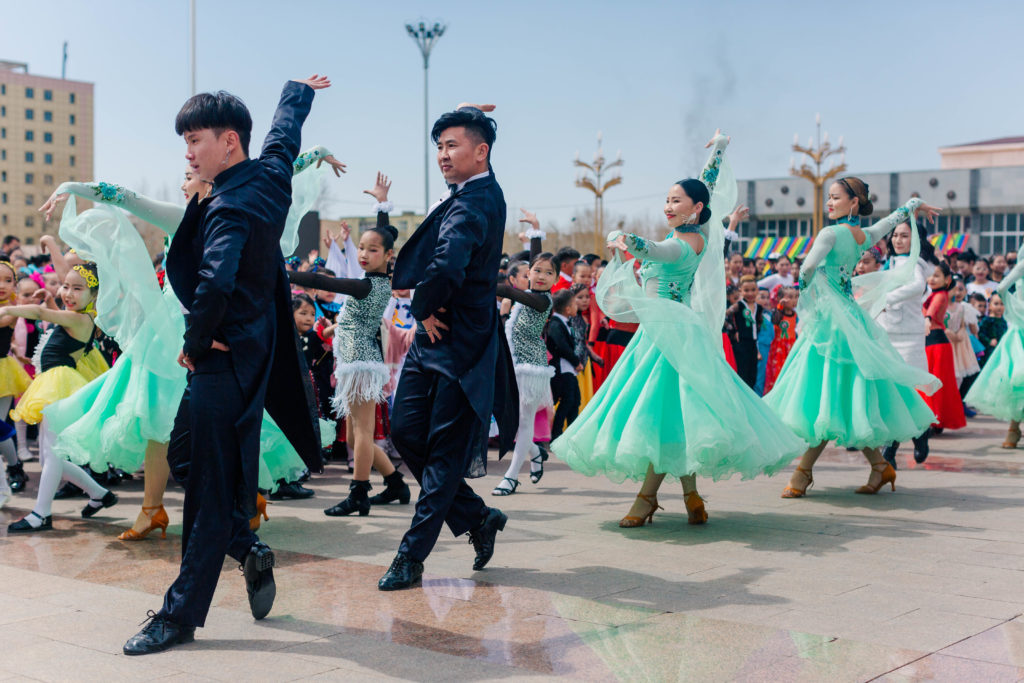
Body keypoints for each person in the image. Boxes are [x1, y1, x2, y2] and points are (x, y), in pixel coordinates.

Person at [122, 76, 328, 655]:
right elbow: (284, 138)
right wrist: (297, 92)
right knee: (186, 457)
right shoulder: (269, 175)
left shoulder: (231, 204)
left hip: (226, 357)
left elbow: (215, 279)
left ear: (229, 141)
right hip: (247, 350)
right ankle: (248, 546)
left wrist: (195, 340)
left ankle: (178, 616)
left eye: (195, 140)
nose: (187, 152)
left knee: (208, 494)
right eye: (185, 141)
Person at [37, 142, 339, 536]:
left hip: (205, 332)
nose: (182, 184)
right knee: (155, 422)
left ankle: (243, 496)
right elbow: (125, 196)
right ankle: (155, 508)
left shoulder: (223, 211)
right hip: (165, 336)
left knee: (220, 422)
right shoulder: (184, 215)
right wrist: (73, 186)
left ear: (210, 181)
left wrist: (314, 155)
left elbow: (277, 171)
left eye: (188, 177)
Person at [554, 131, 802, 527]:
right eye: (667, 200)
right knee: (677, 419)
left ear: (696, 208)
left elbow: (655, 250)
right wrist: (718, 148)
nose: (668, 206)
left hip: (672, 337)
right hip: (660, 334)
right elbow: (707, 182)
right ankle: (691, 496)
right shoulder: (689, 228)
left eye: (676, 201)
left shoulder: (687, 243)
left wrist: (626, 240)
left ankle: (647, 498)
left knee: (660, 416)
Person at [377, 105, 515, 591]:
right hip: (430, 337)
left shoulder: (476, 201)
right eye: (439, 146)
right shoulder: (468, 190)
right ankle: (478, 517)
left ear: (481, 152)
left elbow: (449, 263)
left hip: (461, 347)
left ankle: (410, 557)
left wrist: (421, 304)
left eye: (452, 145)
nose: (442, 154)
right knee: (405, 431)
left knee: (442, 455)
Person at [767, 177, 940, 498]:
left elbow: (806, 269)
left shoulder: (829, 234)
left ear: (854, 202)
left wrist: (808, 293)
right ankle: (879, 466)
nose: (829, 203)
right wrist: (914, 205)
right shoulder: (864, 236)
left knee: (830, 396)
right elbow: (892, 219)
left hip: (831, 324)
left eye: (835, 197)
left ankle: (804, 473)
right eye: (829, 197)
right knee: (845, 396)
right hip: (852, 319)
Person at [4, 262, 116, 530]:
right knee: (48, 459)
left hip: (61, 387)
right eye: (66, 286)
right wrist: (51, 299)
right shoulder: (76, 316)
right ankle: (100, 494)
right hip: (53, 384)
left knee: (53, 455)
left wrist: (7, 309)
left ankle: (40, 514)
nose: (68, 293)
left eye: (78, 289)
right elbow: (54, 315)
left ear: (94, 295)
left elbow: (41, 313)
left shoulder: (82, 319)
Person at [492, 252, 555, 495]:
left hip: (531, 369)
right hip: (513, 362)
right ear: (529, 272)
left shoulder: (542, 301)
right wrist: (534, 234)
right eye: (537, 270)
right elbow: (536, 256)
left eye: (549, 273)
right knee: (512, 418)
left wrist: (480, 280)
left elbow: (508, 292)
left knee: (524, 421)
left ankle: (511, 476)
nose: (542, 276)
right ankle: (536, 452)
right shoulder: (531, 292)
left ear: (556, 279)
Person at [876, 221, 935, 467]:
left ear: (916, 240)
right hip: (886, 334)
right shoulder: (890, 263)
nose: (898, 240)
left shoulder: (915, 263)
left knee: (907, 390)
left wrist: (886, 298)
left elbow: (917, 286)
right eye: (895, 235)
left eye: (904, 236)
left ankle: (917, 434)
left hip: (909, 335)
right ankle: (893, 448)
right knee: (890, 392)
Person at [965, 255, 1024, 447]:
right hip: (1021, 332)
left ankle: (1014, 430)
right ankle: (1013, 428)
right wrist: (1016, 311)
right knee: (1017, 381)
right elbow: (1002, 288)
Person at [922, 262, 967, 433]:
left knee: (935, 383)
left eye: (936, 276)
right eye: (930, 275)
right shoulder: (932, 294)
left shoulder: (940, 295)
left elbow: (931, 312)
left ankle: (934, 419)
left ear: (947, 279)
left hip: (936, 343)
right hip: (933, 342)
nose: (932, 279)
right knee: (934, 383)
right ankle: (935, 419)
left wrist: (927, 319)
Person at [547, 289, 583, 440]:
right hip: (562, 368)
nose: (577, 306)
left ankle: (571, 434)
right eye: (574, 304)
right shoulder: (555, 324)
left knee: (575, 400)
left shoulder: (566, 323)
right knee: (567, 401)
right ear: (568, 309)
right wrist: (576, 361)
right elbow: (561, 345)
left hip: (569, 369)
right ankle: (557, 433)